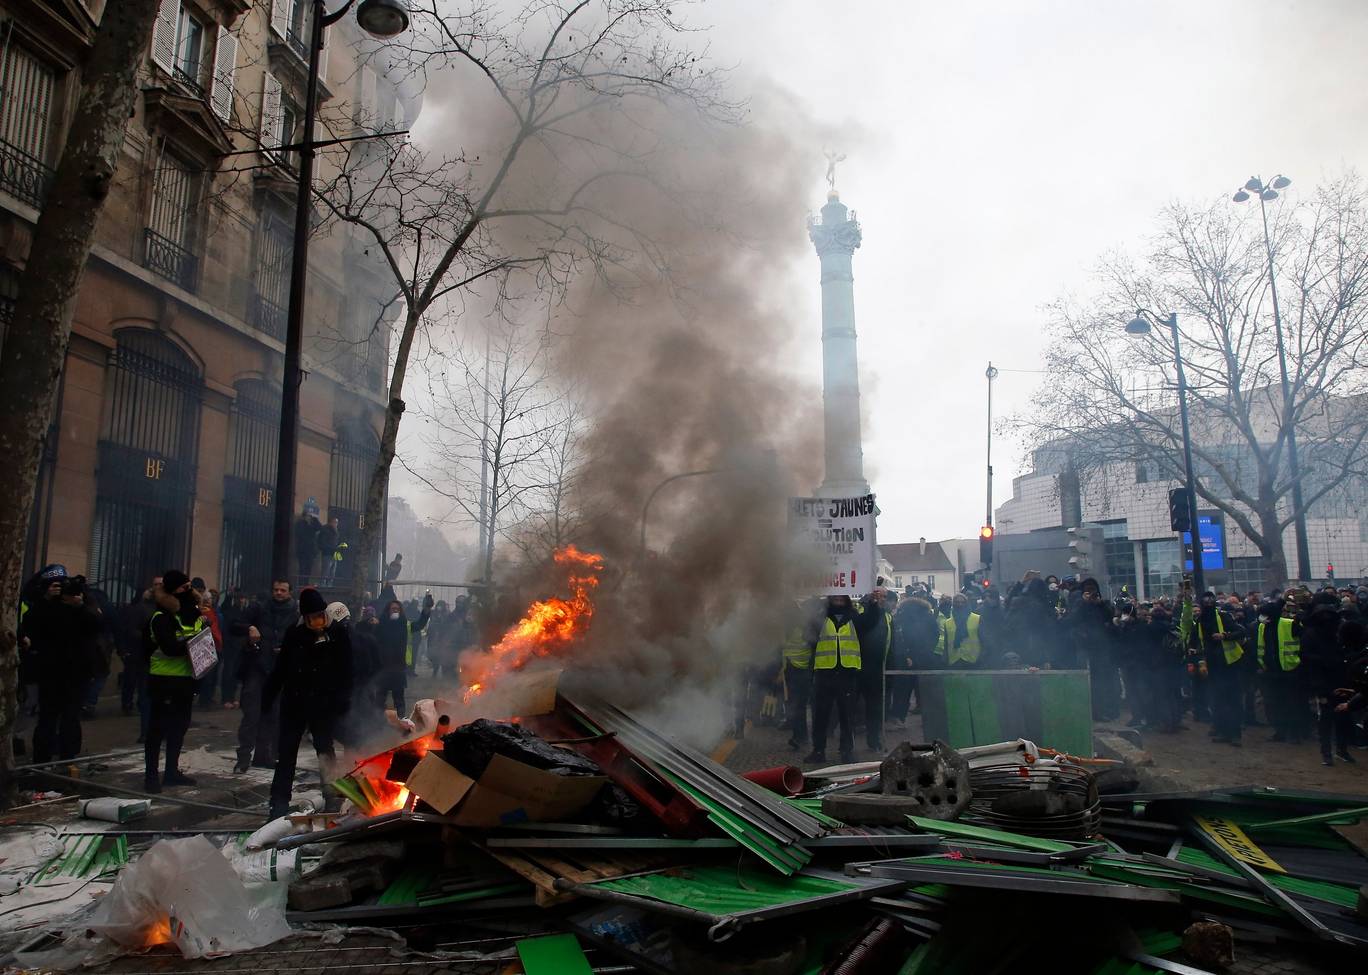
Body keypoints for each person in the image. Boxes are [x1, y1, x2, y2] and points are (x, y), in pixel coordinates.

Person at [264, 591, 353, 819]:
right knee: (286, 754)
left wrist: (342, 700)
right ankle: (279, 803)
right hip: (295, 703)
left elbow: (347, 670)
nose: (318, 622)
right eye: (312, 618)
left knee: (325, 751)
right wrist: (268, 697)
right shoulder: (294, 634)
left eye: (320, 616)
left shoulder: (337, 634)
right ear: (305, 617)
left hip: (323, 705)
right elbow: (281, 668)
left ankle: (333, 797)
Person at [25, 573, 102, 763]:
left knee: (70, 717)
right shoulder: (46, 609)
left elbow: (97, 625)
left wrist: (80, 606)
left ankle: (67, 757)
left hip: (76, 673)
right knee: (48, 718)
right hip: (51, 671)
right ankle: (42, 758)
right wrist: (46, 598)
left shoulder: (82, 611)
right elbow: (31, 624)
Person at [143, 570, 205, 792]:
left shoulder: (194, 614)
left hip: (187, 679)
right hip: (164, 679)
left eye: (189, 586)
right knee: (157, 729)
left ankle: (171, 771)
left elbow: (204, 636)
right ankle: (151, 775)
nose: (188, 591)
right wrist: (194, 645)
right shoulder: (161, 617)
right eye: (183, 588)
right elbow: (168, 647)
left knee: (179, 728)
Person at [804, 592, 882, 766]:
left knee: (847, 717)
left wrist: (874, 604)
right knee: (820, 716)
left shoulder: (854, 618)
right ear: (830, 598)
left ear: (846, 599)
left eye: (841, 596)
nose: (838, 599)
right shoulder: (820, 617)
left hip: (847, 674)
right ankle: (818, 750)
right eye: (835, 596)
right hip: (825, 674)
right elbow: (808, 633)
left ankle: (847, 751)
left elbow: (871, 621)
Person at [232, 579, 297, 774]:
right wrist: (249, 629)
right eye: (276, 589)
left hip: (279, 671)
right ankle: (243, 758)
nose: (278, 593)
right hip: (257, 667)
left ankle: (263, 755)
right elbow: (234, 625)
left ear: (289, 592)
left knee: (272, 716)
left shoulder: (296, 615)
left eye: (283, 590)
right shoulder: (259, 609)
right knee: (251, 715)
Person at [1181, 588, 1247, 746]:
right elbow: (1192, 636)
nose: (1208, 605)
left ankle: (1235, 734)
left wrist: (1224, 636)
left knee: (1232, 701)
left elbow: (1240, 631)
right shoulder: (1201, 621)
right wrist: (1194, 649)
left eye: (1211, 602)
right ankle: (1223, 731)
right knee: (1218, 701)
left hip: (1229, 666)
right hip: (1213, 667)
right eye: (1206, 603)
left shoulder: (1223, 617)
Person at [1300, 595, 1352, 766]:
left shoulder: (1338, 632)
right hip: (1322, 681)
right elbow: (1305, 656)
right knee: (1326, 719)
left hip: (1340, 679)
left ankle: (1341, 750)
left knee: (1342, 718)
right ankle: (1327, 753)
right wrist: (1324, 660)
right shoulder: (1311, 634)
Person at [1255, 598, 1306, 744]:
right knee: (1274, 703)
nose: (1262, 618)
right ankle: (1280, 731)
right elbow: (1261, 647)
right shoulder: (1262, 627)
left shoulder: (1290, 624)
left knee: (1292, 703)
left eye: (1264, 615)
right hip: (1270, 671)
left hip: (1289, 670)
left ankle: (1295, 734)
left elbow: (1304, 641)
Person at [374, 594, 432, 715]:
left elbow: (420, 624)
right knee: (380, 699)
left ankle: (402, 723)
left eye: (397, 609)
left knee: (399, 699)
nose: (395, 610)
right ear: (388, 611)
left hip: (398, 668)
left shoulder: (406, 625)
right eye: (393, 609)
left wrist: (426, 609)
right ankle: (378, 724)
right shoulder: (380, 625)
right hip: (382, 668)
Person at [934, 593, 983, 668]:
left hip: (973, 660)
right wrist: (945, 660)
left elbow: (983, 640)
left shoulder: (977, 619)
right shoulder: (948, 623)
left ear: (966, 604)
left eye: (962, 602)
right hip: (954, 661)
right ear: (953, 604)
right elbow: (946, 644)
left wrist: (981, 658)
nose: (960, 604)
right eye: (957, 602)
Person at [294, 500, 320, 585]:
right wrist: (308, 524)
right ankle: (301, 583)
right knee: (302, 568)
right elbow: (301, 534)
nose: (309, 517)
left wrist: (315, 519)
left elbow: (319, 527)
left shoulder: (312, 524)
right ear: (304, 516)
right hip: (302, 550)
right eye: (308, 516)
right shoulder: (300, 524)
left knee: (309, 568)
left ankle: (305, 583)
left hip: (311, 551)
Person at [317, 517, 341, 583]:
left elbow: (336, 541)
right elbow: (323, 542)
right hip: (327, 553)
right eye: (335, 522)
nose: (336, 524)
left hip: (334, 553)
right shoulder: (325, 530)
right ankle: (323, 585)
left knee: (332, 571)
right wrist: (331, 548)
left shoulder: (335, 530)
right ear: (331, 522)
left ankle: (329, 585)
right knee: (326, 571)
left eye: (337, 522)